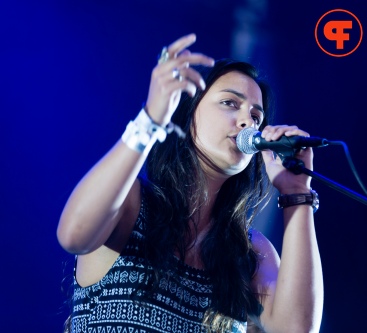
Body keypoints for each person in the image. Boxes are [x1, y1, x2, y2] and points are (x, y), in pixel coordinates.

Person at [57, 33, 323, 333]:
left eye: (255, 115)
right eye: (229, 103)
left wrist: (297, 194)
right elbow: (73, 235)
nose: (248, 121)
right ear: (187, 113)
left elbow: (298, 329)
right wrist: (150, 120)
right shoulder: (132, 204)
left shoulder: (249, 254)